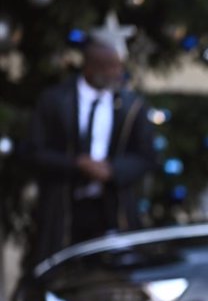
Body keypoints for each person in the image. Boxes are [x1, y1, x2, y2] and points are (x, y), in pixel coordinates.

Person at [24, 36, 155, 268]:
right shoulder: (55, 100)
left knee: (113, 274)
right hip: (64, 207)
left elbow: (146, 155)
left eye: (118, 66)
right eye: (109, 67)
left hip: (112, 207)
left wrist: (112, 170)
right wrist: (77, 164)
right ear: (90, 68)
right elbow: (34, 152)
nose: (117, 73)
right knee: (62, 273)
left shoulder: (130, 105)